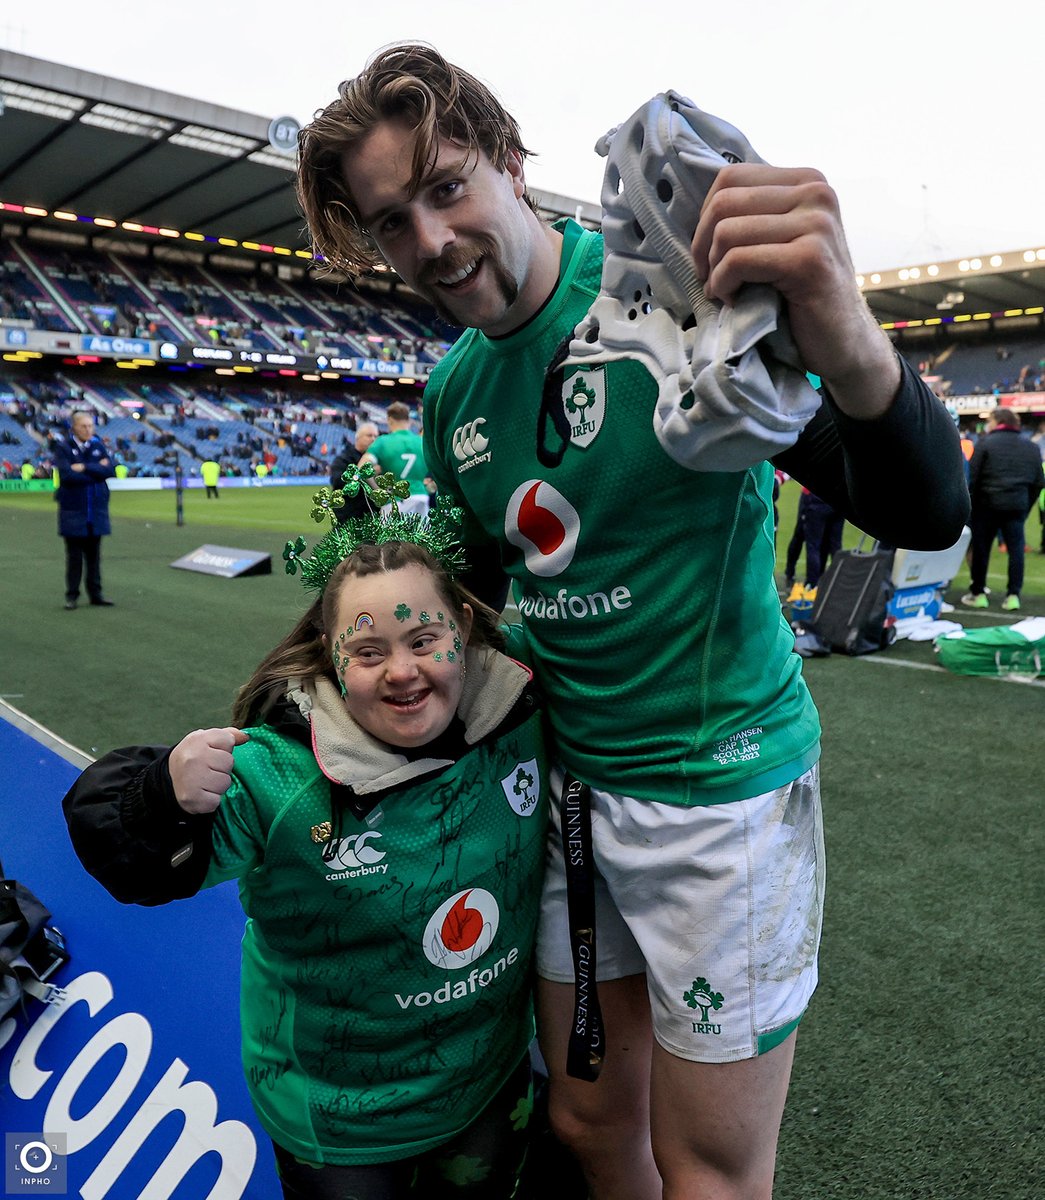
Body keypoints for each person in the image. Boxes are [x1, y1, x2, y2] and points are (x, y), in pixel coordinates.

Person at [295, 45, 970, 1199]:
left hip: (720, 797)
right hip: (567, 800)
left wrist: (845, 329)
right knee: (589, 1121)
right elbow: (482, 617)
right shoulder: (454, 392)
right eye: (393, 220)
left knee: (706, 1168)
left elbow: (923, 507)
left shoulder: (671, 282)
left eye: (447, 187)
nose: (432, 241)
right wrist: (315, 703)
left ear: (510, 161)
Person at [62, 492, 549, 1198]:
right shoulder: (274, 773)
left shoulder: (521, 707)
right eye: (369, 651)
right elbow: (136, 870)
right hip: (341, 1125)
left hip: (489, 1085)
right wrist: (157, 797)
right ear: (332, 655)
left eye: (423, 640)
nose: (403, 671)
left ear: (465, 627)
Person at [961, 409, 1043, 612]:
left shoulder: (986, 443)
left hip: (986, 506)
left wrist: (973, 504)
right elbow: (1039, 482)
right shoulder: (1031, 446)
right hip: (1016, 506)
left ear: (998, 422)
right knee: (1016, 550)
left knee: (981, 549)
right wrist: (1025, 505)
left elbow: (972, 479)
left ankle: (978, 593)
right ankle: (1013, 595)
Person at [53, 409, 116, 609]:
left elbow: (110, 470)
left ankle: (96, 594)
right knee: (74, 558)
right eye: (84, 426)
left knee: (94, 557)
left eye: (91, 425)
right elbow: (67, 476)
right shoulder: (63, 448)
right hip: (73, 511)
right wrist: (97, 470)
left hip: (95, 511)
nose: (88, 429)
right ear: (74, 428)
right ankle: (72, 596)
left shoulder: (98, 446)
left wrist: (85, 467)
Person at [361, 400, 430, 515]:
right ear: (409, 421)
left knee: (393, 533)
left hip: (395, 499)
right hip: (420, 496)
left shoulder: (382, 442)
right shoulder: (422, 442)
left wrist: (377, 490)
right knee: (420, 532)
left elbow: (362, 468)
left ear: (389, 420)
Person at [784, 487, 846, 603]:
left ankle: (812, 585)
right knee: (834, 545)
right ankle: (837, 585)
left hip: (815, 497)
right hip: (839, 497)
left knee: (812, 544)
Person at [330, 419, 379, 523]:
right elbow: (338, 482)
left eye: (375, 436)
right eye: (369, 435)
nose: (373, 439)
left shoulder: (379, 459)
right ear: (358, 438)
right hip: (349, 517)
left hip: (373, 517)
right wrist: (362, 474)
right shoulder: (344, 459)